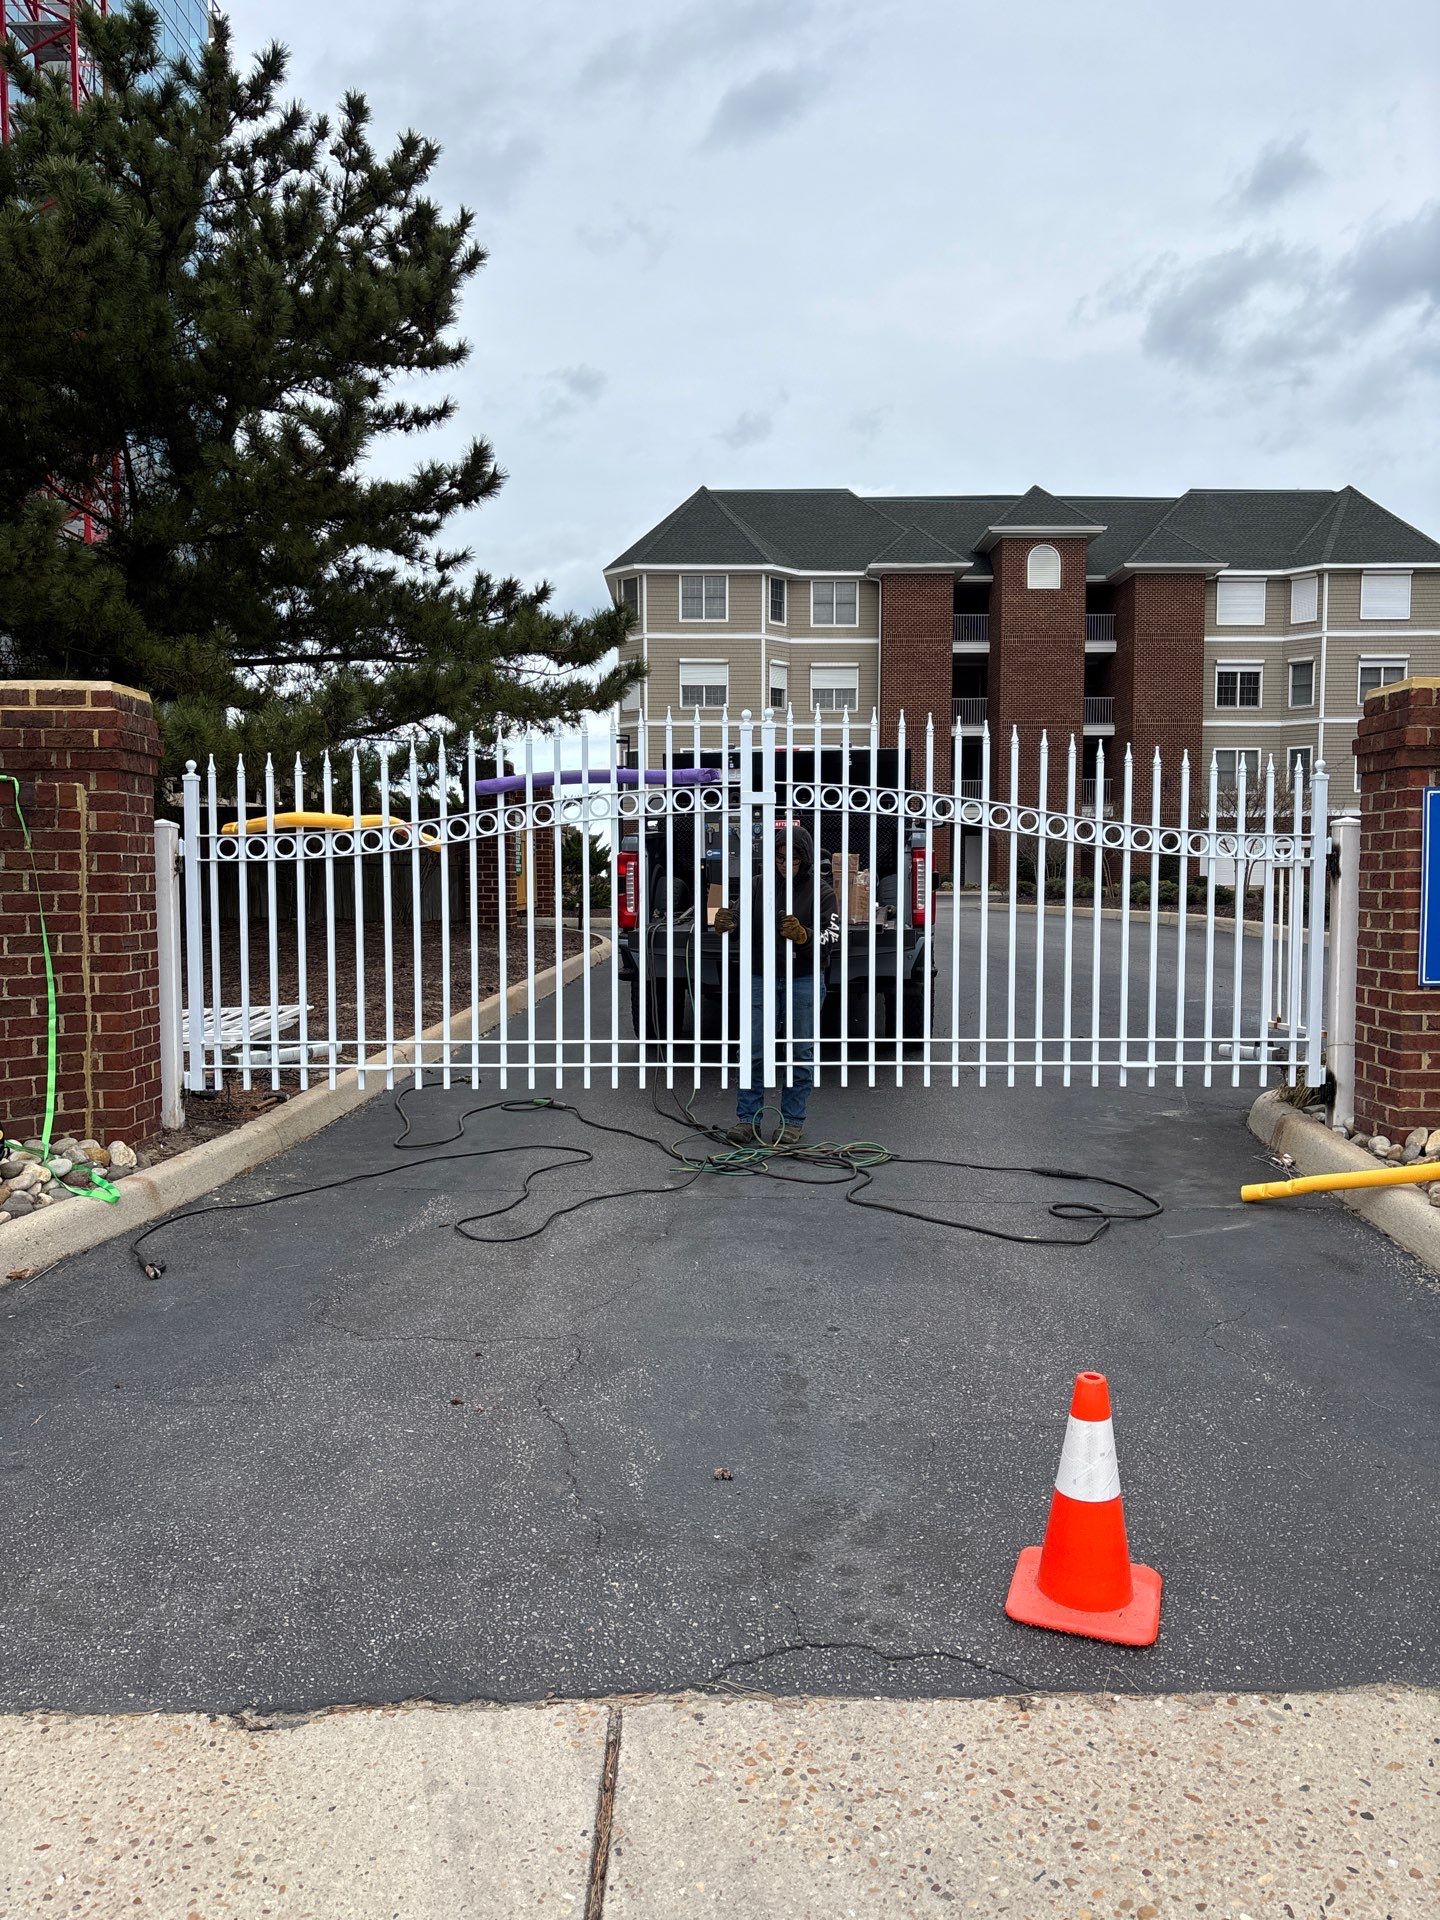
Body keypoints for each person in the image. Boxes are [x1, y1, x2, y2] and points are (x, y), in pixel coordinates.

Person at [712, 821, 839, 1146]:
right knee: (754, 1048)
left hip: (804, 978)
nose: (786, 866)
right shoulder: (757, 885)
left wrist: (804, 935)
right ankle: (747, 1120)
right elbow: (739, 919)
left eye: (793, 860)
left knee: (800, 1051)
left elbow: (832, 936)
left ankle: (792, 1122)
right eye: (781, 859)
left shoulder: (822, 891)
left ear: (806, 859)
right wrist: (727, 922)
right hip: (760, 976)